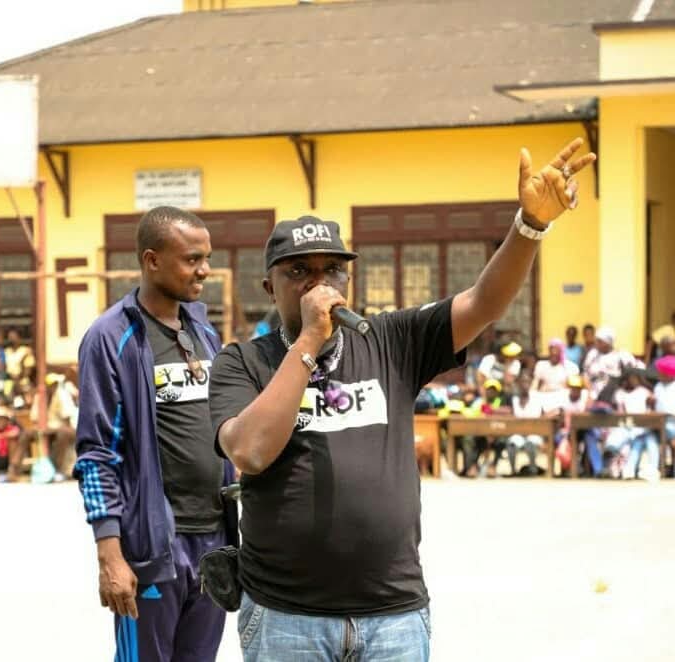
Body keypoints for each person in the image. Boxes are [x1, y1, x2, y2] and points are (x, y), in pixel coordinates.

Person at [208, 139, 595, 660]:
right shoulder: (242, 363)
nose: (318, 284)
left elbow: (483, 303)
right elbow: (250, 451)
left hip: (393, 616)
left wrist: (529, 226)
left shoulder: (391, 340)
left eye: (332, 270)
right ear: (268, 287)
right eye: (298, 272)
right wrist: (309, 342)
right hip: (287, 618)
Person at [73, 206, 238, 662]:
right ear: (151, 260)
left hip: (214, 543)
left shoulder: (203, 332)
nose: (204, 270)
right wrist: (110, 554)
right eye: (192, 259)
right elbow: (96, 455)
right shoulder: (111, 337)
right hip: (151, 549)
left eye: (206, 258)